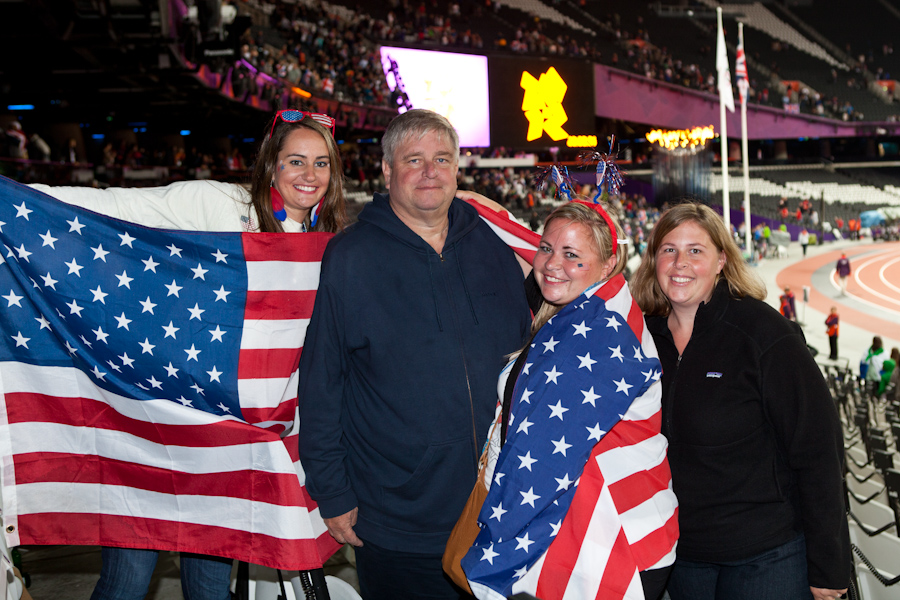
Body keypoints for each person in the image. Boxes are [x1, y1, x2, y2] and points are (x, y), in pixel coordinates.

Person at [31, 108, 347, 600]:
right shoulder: (217, 202)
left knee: (210, 585)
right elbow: (113, 206)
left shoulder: (329, 243)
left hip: (231, 445)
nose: (309, 175)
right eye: (295, 161)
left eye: (321, 163)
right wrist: (22, 202)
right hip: (160, 426)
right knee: (128, 578)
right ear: (270, 165)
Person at [297, 109, 531, 600]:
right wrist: (332, 491)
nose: (431, 171)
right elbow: (322, 383)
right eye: (415, 160)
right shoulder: (351, 257)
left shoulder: (493, 245)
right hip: (397, 518)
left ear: (457, 169)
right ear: (386, 171)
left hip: (498, 507)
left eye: (442, 158)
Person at [460, 200, 678, 600]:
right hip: (631, 528)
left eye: (572, 255)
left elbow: (539, 464)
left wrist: (491, 561)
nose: (551, 264)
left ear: (609, 262)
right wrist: (462, 196)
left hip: (612, 545)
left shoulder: (594, 338)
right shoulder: (597, 306)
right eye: (546, 248)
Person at [631, 202, 850, 600]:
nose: (681, 262)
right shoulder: (639, 341)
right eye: (668, 249)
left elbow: (819, 452)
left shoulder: (765, 334)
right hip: (681, 557)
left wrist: (828, 565)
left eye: (696, 250)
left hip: (767, 556)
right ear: (653, 260)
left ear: (721, 261)